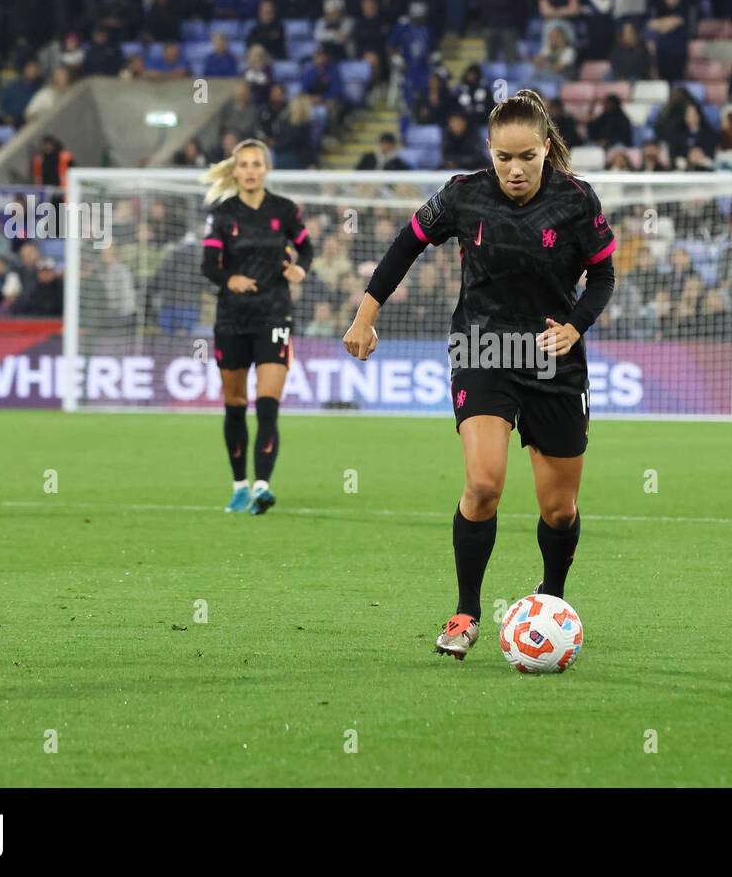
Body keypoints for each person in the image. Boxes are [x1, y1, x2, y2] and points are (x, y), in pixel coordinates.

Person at [342, 89, 616, 661]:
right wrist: (367, 313)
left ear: (547, 149)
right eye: (503, 157)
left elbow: (604, 276)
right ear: (489, 152)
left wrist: (575, 326)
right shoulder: (464, 196)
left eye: (527, 157)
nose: (515, 170)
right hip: (482, 349)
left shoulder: (576, 201)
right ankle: (466, 610)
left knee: (558, 509)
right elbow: (406, 244)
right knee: (484, 483)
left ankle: (552, 602)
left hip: (551, 358)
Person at [199, 139, 314, 515]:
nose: (250, 171)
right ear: (235, 171)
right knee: (234, 404)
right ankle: (239, 485)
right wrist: (228, 279)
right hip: (232, 319)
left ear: (266, 170)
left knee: (268, 404)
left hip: (274, 315)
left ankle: (263, 486)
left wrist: (301, 268)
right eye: (243, 164)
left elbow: (306, 248)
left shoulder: (285, 210)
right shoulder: (223, 214)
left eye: (256, 164)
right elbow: (208, 265)